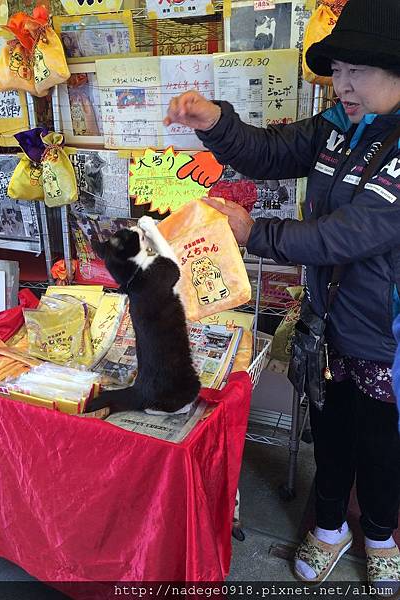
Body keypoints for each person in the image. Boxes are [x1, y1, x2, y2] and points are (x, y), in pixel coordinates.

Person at [165, 0, 400, 587]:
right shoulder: (335, 128)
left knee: (380, 445)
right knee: (327, 430)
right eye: (338, 70)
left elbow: (356, 231)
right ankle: (327, 526)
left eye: (358, 72)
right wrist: (214, 121)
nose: (341, 85)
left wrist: (257, 232)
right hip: (326, 322)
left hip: (384, 337)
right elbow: (270, 152)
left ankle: (378, 532)